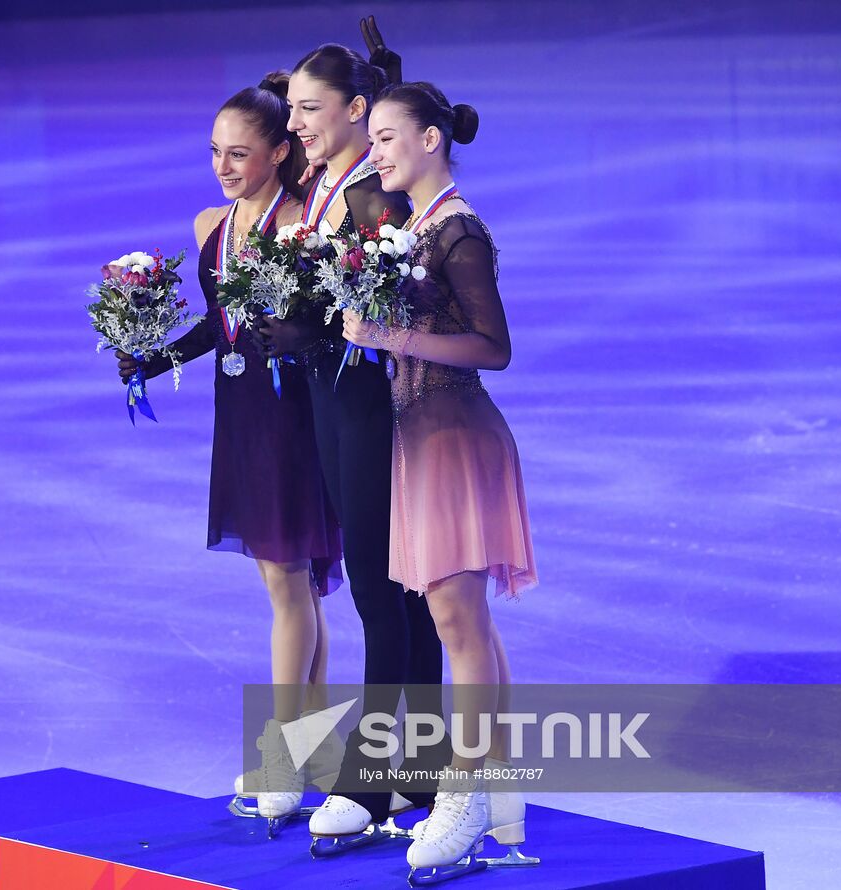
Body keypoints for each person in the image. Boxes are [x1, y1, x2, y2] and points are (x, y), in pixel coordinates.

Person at [115, 74, 343, 834]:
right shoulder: (212, 224)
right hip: (241, 416)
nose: (223, 165)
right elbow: (221, 327)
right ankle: (314, 750)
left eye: (240, 153)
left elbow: (317, 327)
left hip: (295, 418)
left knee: (288, 583)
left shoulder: (303, 226)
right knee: (292, 587)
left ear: (280, 153)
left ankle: (284, 754)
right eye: (215, 151)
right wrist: (150, 357)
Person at [254, 42, 448, 851]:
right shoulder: (327, 184)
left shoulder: (376, 197)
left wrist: (311, 322)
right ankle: (425, 769)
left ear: (354, 111)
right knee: (392, 585)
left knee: (383, 584)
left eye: (308, 109)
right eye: (293, 109)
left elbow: (394, 295)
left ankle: (370, 786)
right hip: (332, 399)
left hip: (372, 402)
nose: (294, 123)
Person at [343, 80, 539, 880]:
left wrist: (393, 334)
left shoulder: (458, 232)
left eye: (389, 137)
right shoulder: (409, 223)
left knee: (458, 625)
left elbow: (495, 347)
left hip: (457, 436)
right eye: (375, 138)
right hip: (420, 438)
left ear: (431, 140)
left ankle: (460, 796)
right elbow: (355, 196)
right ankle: (496, 792)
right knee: (467, 626)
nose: (376, 153)